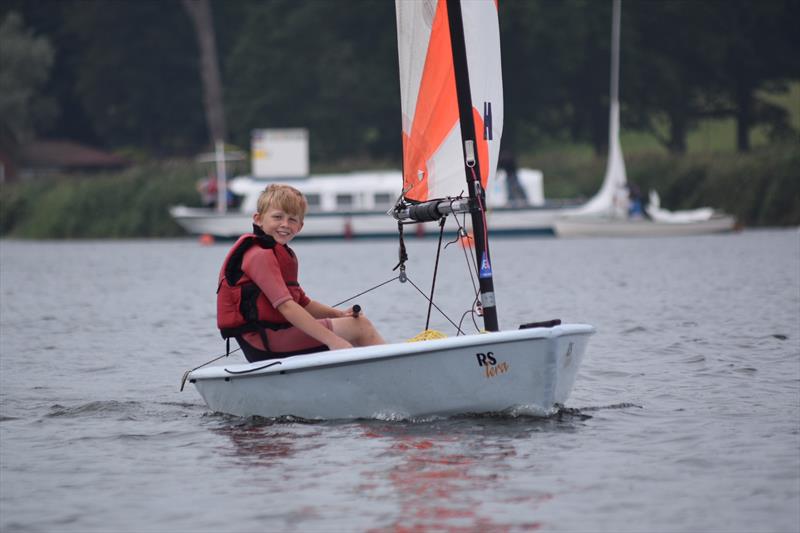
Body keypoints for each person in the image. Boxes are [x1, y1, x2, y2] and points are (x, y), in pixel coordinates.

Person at [217, 184, 385, 362]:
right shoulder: (259, 255)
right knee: (360, 327)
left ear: (300, 226)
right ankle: (392, 371)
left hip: (275, 336)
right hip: (264, 341)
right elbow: (287, 307)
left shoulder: (278, 253)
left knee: (355, 324)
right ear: (258, 219)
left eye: (292, 220)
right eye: (277, 217)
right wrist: (334, 341)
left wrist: (339, 314)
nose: (285, 224)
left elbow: (303, 303)